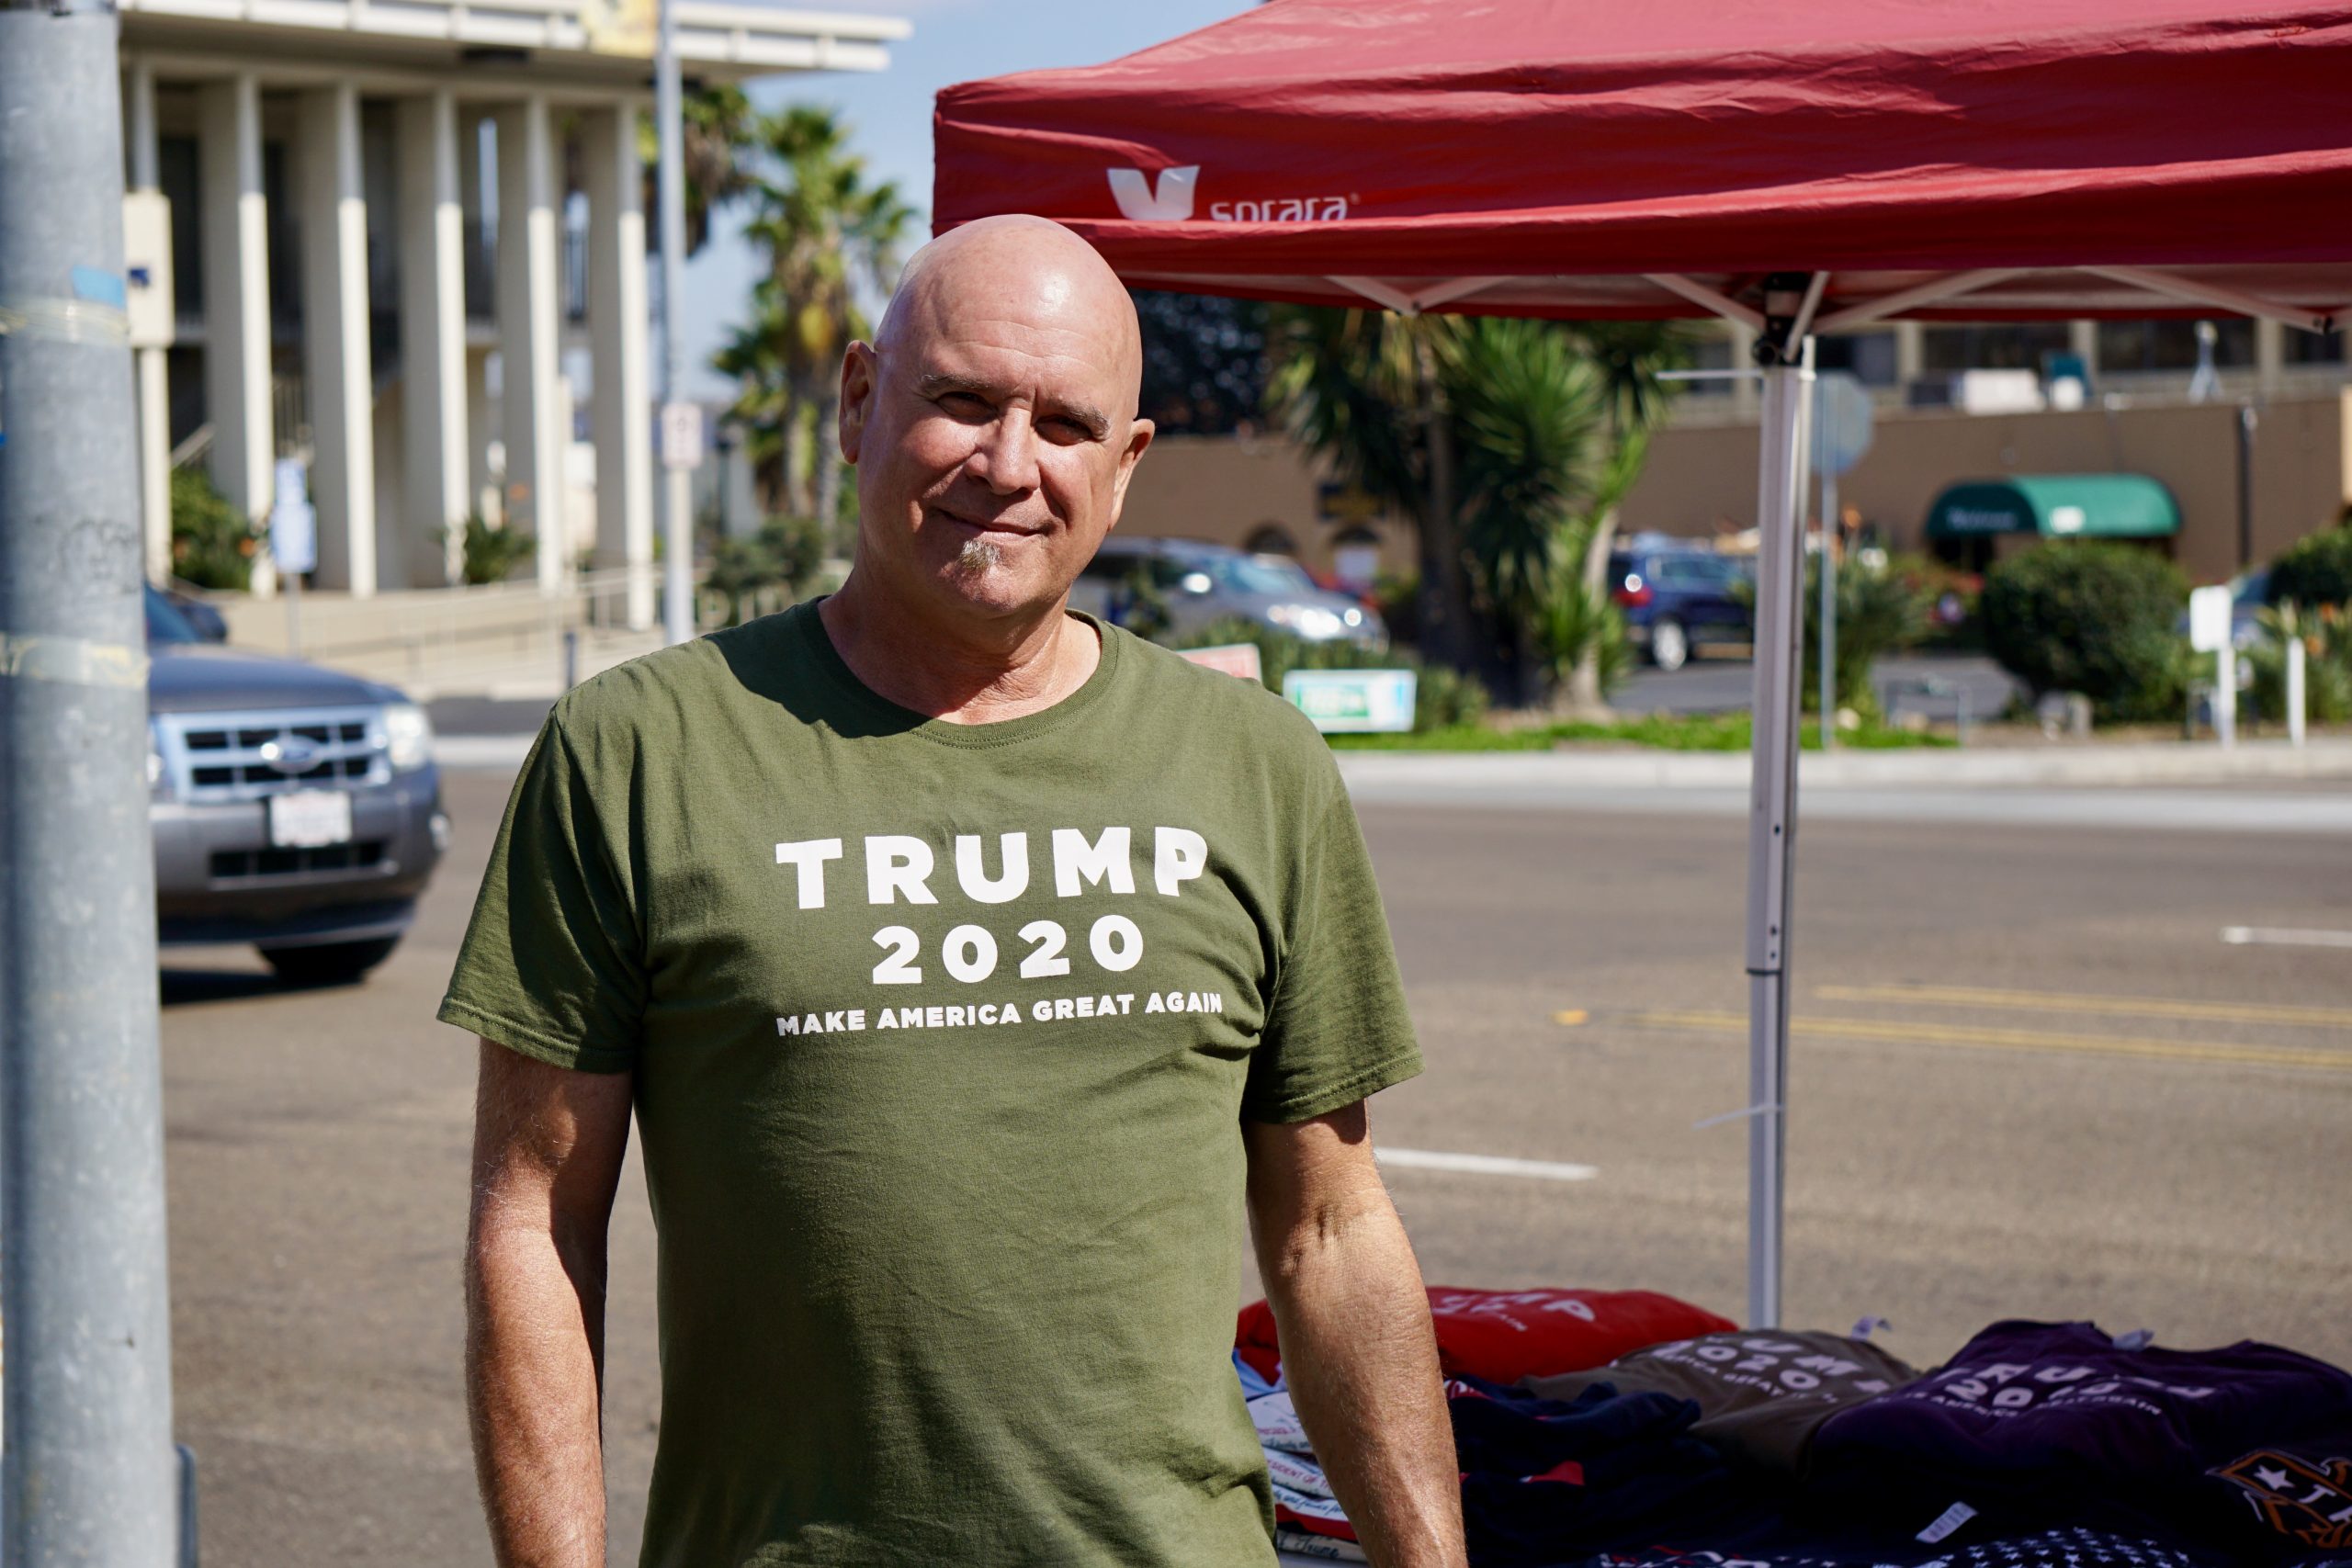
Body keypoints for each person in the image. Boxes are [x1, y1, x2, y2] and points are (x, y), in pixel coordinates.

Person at [447, 213, 1467, 1568]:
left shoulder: (1253, 762)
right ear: (862, 401)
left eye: (1063, 424)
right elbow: (535, 1224)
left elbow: (1334, 1229)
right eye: (963, 401)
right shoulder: (639, 750)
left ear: (1127, 465)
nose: (1009, 465)